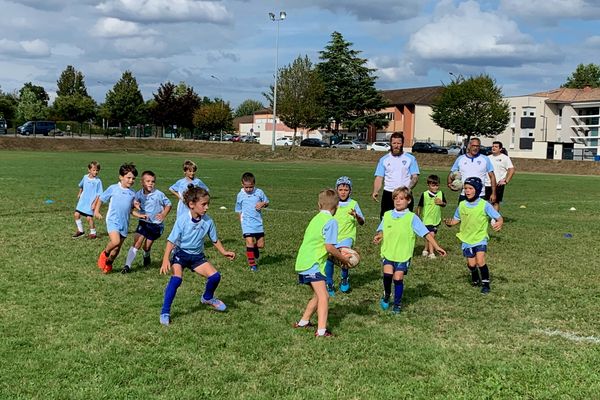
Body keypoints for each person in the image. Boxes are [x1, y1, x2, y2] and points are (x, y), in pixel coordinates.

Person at [159, 187, 235, 326]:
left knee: (215, 276)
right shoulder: (182, 220)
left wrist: (224, 252)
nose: (206, 207)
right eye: (203, 204)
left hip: (197, 257)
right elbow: (171, 241)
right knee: (176, 280)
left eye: (208, 204)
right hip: (180, 254)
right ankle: (165, 311)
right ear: (191, 205)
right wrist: (165, 259)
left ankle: (207, 298)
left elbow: (214, 240)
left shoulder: (208, 221)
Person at [374, 187, 446, 314]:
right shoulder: (387, 215)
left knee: (398, 278)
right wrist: (379, 235)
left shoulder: (411, 217)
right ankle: (386, 295)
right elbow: (381, 229)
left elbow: (426, 234)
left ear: (408, 201)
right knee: (387, 275)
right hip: (388, 252)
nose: (397, 201)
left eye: (401, 198)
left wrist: (436, 247)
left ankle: (397, 304)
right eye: (395, 198)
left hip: (403, 254)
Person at [293, 189, 350, 337]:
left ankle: (303, 322)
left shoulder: (316, 218)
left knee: (318, 295)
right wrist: (344, 259)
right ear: (337, 207)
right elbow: (329, 247)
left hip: (303, 261)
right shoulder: (331, 221)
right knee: (325, 296)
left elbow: (321, 243)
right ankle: (321, 331)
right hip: (313, 264)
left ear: (319, 205)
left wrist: (337, 253)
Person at [444, 177, 503, 294]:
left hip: (480, 238)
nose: (467, 191)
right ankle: (475, 274)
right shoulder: (462, 205)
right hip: (466, 239)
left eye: (470, 188)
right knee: (471, 264)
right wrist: (450, 223)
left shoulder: (484, 205)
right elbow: (456, 219)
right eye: (465, 188)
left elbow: (498, 217)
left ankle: (486, 284)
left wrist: (499, 222)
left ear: (477, 190)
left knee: (480, 261)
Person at [94, 163, 143, 274]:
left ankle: (109, 262)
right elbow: (101, 199)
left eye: (133, 178)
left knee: (116, 250)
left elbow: (130, 210)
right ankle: (105, 254)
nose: (131, 180)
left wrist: (139, 213)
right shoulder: (113, 188)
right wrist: (96, 211)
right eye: (128, 178)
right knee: (115, 241)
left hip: (124, 223)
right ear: (121, 177)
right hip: (112, 220)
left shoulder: (132, 193)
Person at [121, 170, 172, 273]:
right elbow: (132, 208)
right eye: (148, 181)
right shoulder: (138, 194)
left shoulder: (158, 194)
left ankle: (146, 255)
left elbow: (169, 204)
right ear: (142, 182)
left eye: (152, 181)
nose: (150, 183)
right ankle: (127, 266)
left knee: (147, 246)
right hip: (144, 222)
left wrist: (163, 214)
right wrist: (135, 206)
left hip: (155, 225)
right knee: (137, 242)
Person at [324, 176, 364, 295]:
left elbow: (362, 222)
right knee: (330, 259)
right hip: (333, 237)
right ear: (336, 190)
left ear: (350, 191)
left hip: (347, 237)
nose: (343, 192)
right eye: (340, 189)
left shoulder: (353, 204)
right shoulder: (333, 203)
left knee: (344, 257)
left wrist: (356, 216)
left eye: (346, 190)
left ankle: (344, 279)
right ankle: (329, 283)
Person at [372, 132, 420, 218]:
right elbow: (379, 177)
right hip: (388, 194)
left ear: (402, 144)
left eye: (398, 143)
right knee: (386, 220)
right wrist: (376, 191)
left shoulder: (410, 158)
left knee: (405, 220)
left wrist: (408, 189)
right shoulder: (384, 159)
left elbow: (415, 177)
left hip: (405, 194)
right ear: (390, 143)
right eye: (394, 143)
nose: (396, 145)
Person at [235, 172, 269, 272]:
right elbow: (238, 210)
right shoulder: (240, 195)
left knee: (261, 245)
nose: (249, 189)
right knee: (249, 242)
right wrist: (241, 222)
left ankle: (255, 248)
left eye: (251, 187)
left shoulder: (259, 192)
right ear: (242, 184)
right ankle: (252, 265)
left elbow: (267, 202)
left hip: (257, 223)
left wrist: (263, 203)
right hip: (247, 223)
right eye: (247, 187)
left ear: (254, 184)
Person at [447, 137, 496, 203]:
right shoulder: (460, 159)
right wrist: (449, 184)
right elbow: (452, 173)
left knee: (480, 213)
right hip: (464, 194)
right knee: (463, 213)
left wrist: (493, 193)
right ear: (469, 146)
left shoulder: (485, 159)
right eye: (473, 146)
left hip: (480, 195)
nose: (475, 148)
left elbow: (492, 176)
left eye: (477, 146)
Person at [415, 174, 447, 259]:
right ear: (428, 185)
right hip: (427, 220)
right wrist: (417, 216)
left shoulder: (441, 193)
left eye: (437, 185)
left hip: (436, 219)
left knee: (430, 236)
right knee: (431, 235)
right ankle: (431, 253)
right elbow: (419, 206)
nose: (435, 187)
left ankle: (425, 249)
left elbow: (444, 204)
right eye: (433, 185)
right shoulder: (424, 194)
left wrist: (441, 203)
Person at [73, 161, 103, 239]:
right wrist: (80, 193)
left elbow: (99, 194)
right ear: (89, 170)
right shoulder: (85, 177)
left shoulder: (98, 181)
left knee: (89, 218)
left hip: (91, 202)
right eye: (94, 170)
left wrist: (94, 203)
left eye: (97, 170)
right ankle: (80, 231)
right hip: (83, 200)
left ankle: (93, 233)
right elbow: (81, 186)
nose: (96, 172)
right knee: (76, 214)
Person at [485, 141, 515, 211]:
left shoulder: (505, 158)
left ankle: (495, 219)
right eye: (493, 146)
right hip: (486, 183)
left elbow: (511, 169)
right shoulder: (487, 158)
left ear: (500, 149)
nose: (493, 148)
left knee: (495, 202)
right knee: (485, 202)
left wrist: (506, 180)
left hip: (498, 184)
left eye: (496, 147)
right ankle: (485, 218)